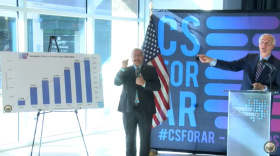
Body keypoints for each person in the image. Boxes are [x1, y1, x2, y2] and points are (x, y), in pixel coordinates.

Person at [114, 48, 161, 156]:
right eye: (134, 56)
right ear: (131, 58)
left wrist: (144, 83)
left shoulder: (150, 69)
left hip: (145, 109)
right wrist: (122, 68)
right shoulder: (125, 70)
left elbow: (157, 86)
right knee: (129, 138)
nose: (136, 58)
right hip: (128, 109)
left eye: (139, 55)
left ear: (143, 56)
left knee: (145, 138)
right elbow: (116, 82)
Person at [197, 33, 280, 91]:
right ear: (259, 44)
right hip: (244, 100)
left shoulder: (277, 64)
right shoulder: (249, 58)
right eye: (262, 42)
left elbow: (278, 87)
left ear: (272, 46)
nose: (264, 45)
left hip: (263, 103)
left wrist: (264, 88)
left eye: (267, 43)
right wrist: (211, 60)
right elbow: (232, 66)